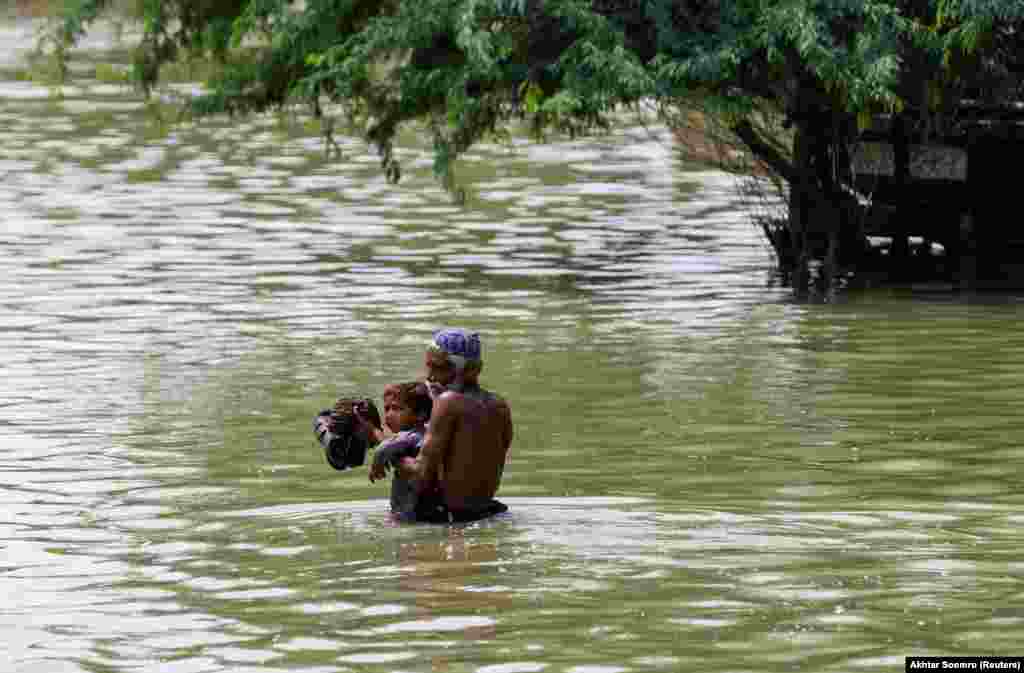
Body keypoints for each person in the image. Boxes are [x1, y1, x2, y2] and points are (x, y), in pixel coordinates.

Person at [397, 328, 513, 524]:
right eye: (429, 367)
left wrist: (383, 445)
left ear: (466, 371)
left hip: (453, 522)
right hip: (490, 515)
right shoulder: (500, 406)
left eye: (438, 368)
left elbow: (421, 474)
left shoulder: (447, 402)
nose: (430, 377)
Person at [368, 381, 433, 520]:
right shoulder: (426, 434)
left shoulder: (413, 435)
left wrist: (377, 465)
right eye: (386, 409)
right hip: (417, 510)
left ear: (420, 414)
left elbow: (383, 448)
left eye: (397, 409)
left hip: (409, 512)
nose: (389, 415)